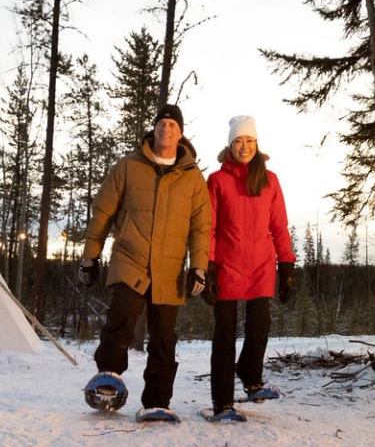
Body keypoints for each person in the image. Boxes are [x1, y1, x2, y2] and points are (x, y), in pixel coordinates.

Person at [80, 104, 212, 422]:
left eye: (173, 125)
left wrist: (199, 265)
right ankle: (108, 380)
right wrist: (90, 255)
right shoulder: (129, 166)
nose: (166, 129)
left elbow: (201, 226)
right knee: (121, 319)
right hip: (131, 258)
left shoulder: (193, 178)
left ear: (181, 134)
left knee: (164, 336)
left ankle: (157, 401)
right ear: (153, 129)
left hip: (168, 267)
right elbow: (103, 212)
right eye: (161, 124)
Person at [202, 115, 295, 423]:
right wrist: (209, 266)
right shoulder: (217, 180)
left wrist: (288, 265)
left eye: (250, 141)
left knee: (260, 328)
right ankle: (223, 402)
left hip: (261, 265)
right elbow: (209, 227)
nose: (244, 146)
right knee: (225, 335)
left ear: (257, 144)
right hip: (227, 265)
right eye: (239, 141)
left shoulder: (270, 180)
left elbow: (279, 225)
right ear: (230, 145)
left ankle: (251, 378)